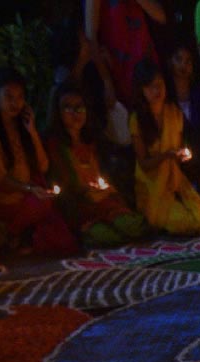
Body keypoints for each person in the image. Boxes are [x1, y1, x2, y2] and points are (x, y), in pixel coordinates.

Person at [0, 69, 81, 255]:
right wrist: (30, 189)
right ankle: (14, 232)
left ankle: (23, 233)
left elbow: (43, 166)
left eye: (20, 97)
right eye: (9, 96)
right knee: (44, 204)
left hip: (28, 195)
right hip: (2, 196)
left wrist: (32, 132)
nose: (15, 103)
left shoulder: (21, 124)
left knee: (63, 239)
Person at [47, 83, 149, 246]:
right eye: (68, 108)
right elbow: (62, 187)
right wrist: (85, 190)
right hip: (82, 207)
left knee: (132, 226)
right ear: (58, 113)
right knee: (105, 236)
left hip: (106, 202)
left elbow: (108, 177)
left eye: (79, 107)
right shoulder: (55, 146)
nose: (75, 114)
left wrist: (105, 189)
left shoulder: (94, 141)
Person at [131, 60, 200, 235]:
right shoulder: (137, 119)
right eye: (150, 87)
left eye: (159, 85)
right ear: (142, 90)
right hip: (153, 186)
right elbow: (144, 164)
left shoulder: (173, 112)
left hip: (175, 179)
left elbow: (181, 146)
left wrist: (183, 155)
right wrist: (167, 156)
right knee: (188, 225)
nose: (157, 91)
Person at [96, 0, 167, 105]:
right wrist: (106, 80)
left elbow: (162, 17)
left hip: (144, 59)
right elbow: (90, 37)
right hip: (117, 63)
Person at [167, 41, 200, 136]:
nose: (183, 64)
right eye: (178, 59)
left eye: (188, 61)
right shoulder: (166, 95)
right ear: (170, 61)